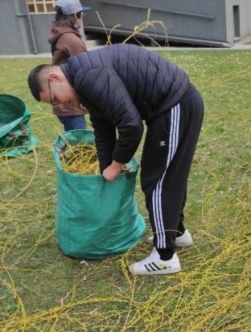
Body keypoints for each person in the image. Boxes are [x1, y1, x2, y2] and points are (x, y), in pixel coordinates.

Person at [27, 44, 204, 276]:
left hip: (176, 105)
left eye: (54, 99)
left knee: (159, 180)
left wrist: (116, 164)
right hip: (171, 108)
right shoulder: (83, 81)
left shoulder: (89, 76)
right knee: (166, 176)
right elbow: (103, 128)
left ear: (54, 77)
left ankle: (164, 257)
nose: (60, 106)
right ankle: (176, 233)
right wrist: (105, 168)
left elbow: (130, 125)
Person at [48, 0, 91, 131]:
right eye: (81, 13)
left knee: (74, 142)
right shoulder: (71, 39)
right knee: (80, 145)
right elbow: (87, 72)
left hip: (62, 100)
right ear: (74, 15)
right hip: (70, 103)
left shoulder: (59, 34)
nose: (82, 17)